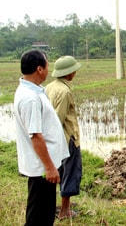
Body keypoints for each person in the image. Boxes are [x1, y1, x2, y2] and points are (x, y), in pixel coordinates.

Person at [13, 49, 70, 226]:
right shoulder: (30, 98)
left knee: (43, 213)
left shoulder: (35, 91)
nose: (48, 68)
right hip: (41, 168)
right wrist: (50, 168)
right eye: (47, 64)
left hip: (43, 166)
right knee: (38, 217)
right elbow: (36, 136)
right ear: (39, 69)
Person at [45, 56, 82, 220]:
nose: (75, 72)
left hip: (55, 141)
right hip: (68, 138)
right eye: (74, 70)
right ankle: (64, 211)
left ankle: (52, 207)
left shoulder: (50, 87)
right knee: (71, 172)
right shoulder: (65, 91)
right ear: (69, 73)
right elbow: (57, 119)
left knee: (58, 172)